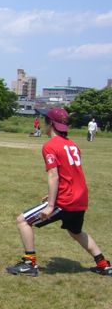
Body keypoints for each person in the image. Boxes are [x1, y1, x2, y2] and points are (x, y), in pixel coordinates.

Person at [6, 108, 111, 277]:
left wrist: (51, 204)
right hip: (80, 198)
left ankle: (29, 263)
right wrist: (52, 196)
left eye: (45, 120)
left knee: (22, 221)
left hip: (65, 200)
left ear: (50, 124)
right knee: (76, 232)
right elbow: (69, 174)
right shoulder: (72, 144)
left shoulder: (50, 146)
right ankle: (103, 264)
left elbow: (54, 175)